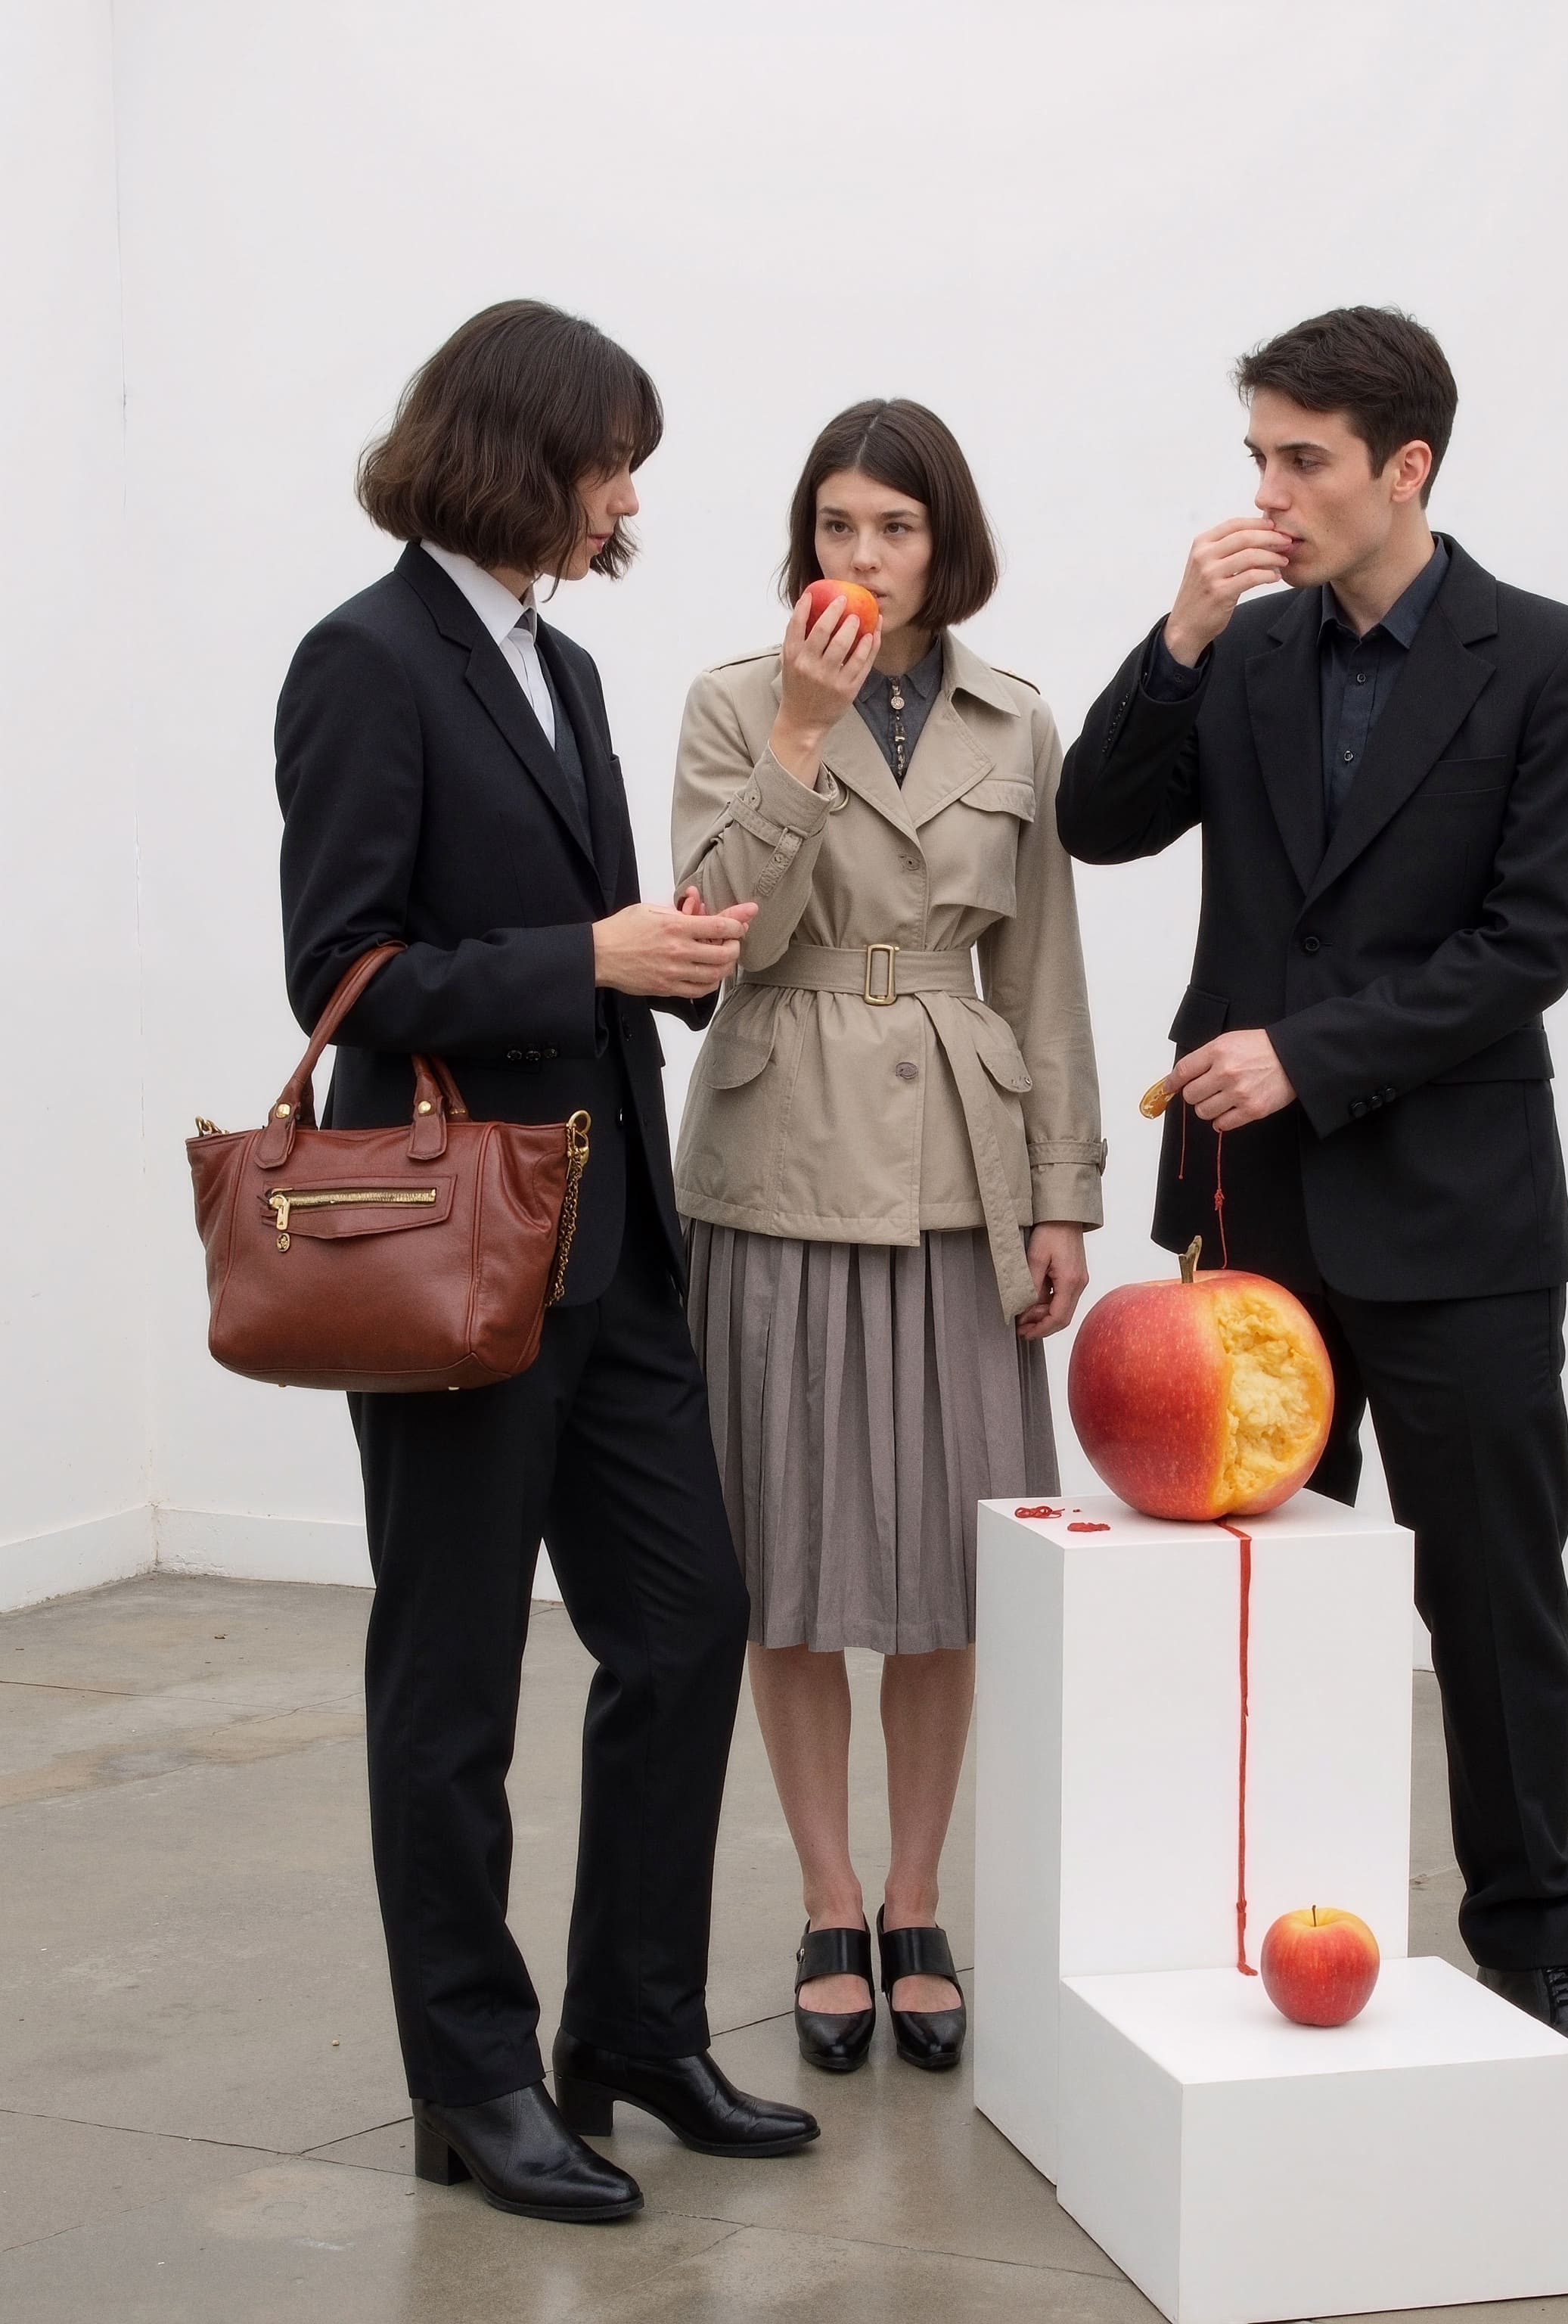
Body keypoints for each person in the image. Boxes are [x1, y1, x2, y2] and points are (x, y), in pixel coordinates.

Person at [1056, 305, 1568, 2112]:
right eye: (1255, 454)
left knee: (1490, 1596)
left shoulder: (1553, 659)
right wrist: (1175, 638)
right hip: (1256, 1209)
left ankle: (1537, 1953)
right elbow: (1094, 820)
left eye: (1303, 458)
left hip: (1458, 1215)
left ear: (1407, 468)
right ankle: (1238, 1926)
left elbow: (1523, 950)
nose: (1270, 491)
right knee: (1251, 1598)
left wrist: (1309, 1053)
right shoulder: (1234, 654)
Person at [275, 300, 819, 2224]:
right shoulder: (364, 661)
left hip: (610, 1248)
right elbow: (339, 970)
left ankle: (636, 2032)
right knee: (451, 1688)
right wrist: (586, 960)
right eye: (614, 458)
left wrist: (649, 949)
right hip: (449, 1256)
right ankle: (475, 2083)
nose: (629, 497)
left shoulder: (564, 670)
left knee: (683, 1625)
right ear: (526, 451)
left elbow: (567, 939)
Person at [672, 399, 1104, 2075]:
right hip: (778, 1150)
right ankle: (826, 1895)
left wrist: (1065, 1190)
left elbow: (1045, 967)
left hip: (961, 1168)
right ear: (807, 537)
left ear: (946, 545)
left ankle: (917, 1901)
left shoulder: (1019, 721)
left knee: (943, 1574)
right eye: (839, 525)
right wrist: (796, 731)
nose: (863, 557)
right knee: (781, 1565)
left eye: (896, 529)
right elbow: (721, 935)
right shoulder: (734, 699)